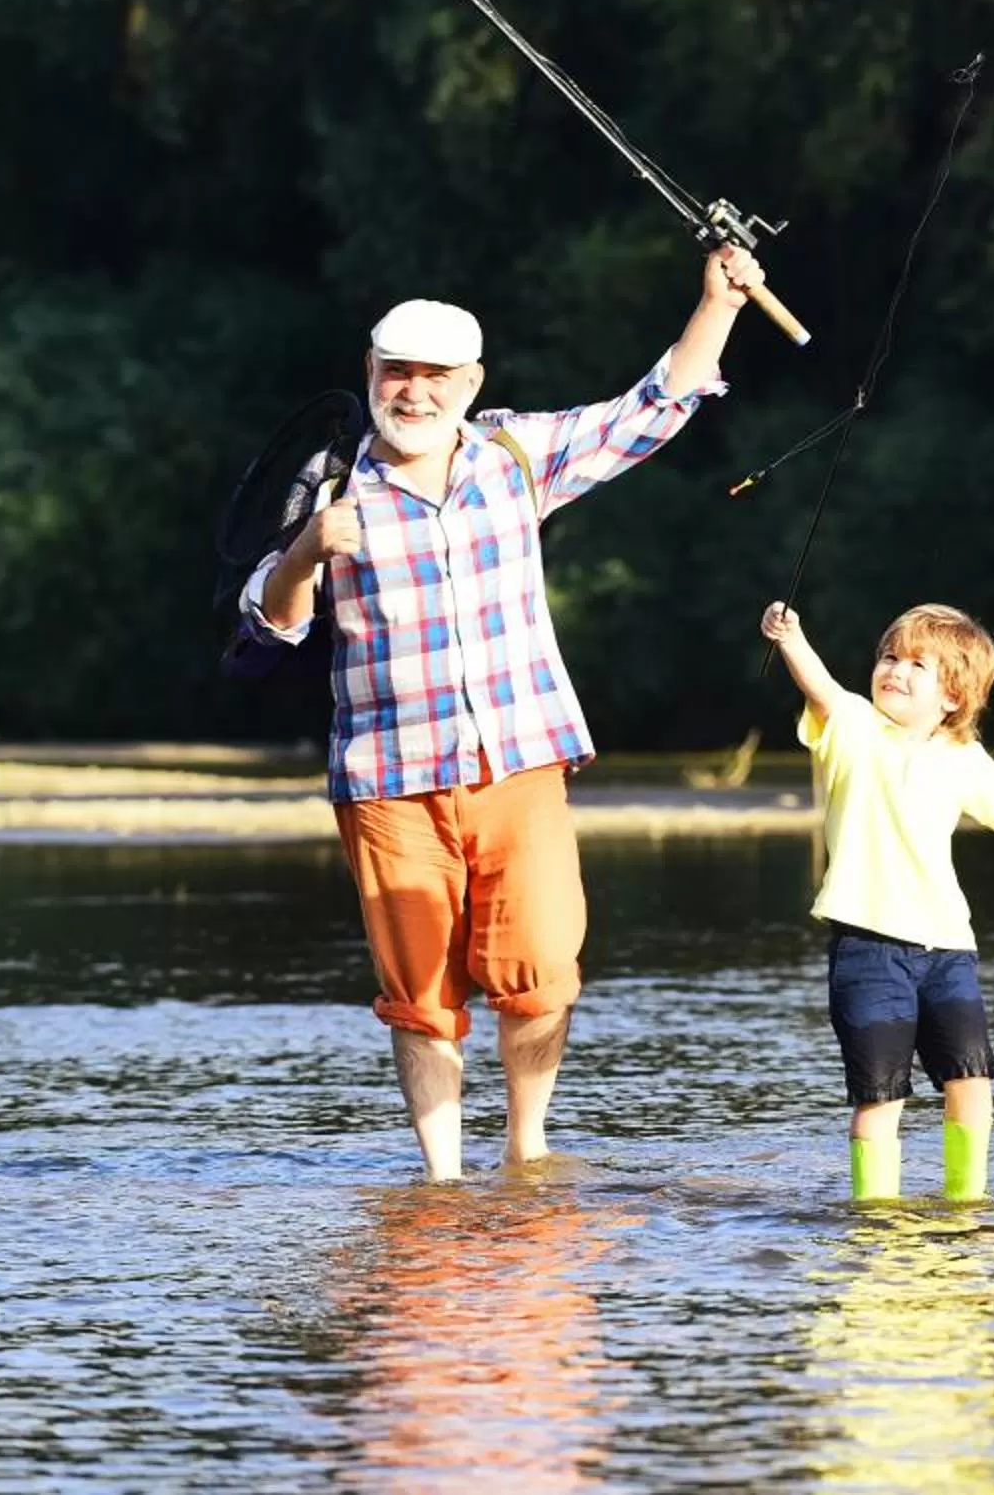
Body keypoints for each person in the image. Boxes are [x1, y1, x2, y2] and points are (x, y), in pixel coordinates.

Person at [239, 243, 765, 1180]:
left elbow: (653, 406)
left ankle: (527, 1152)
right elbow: (271, 629)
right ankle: (442, 1178)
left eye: (436, 376)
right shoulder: (328, 489)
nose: (414, 392)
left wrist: (718, 303)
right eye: (397, 371)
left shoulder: (516, 455)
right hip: (388, 780)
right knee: (419, 994)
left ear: (471, 383)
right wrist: (306, 553)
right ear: (369, 372)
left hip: (520, 760)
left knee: (541, 970)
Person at [760, 598, 994, 1202]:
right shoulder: (855, 728)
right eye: (889, 656)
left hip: (949, 951)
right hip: (868, 950)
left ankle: (966, 1202)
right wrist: (791, 639)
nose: (895, 669)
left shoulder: (962, 758)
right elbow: (821, 689)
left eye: (917, 664)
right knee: (879, 1093)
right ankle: (876, 1213)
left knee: (972, 1079)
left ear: (953, 696)